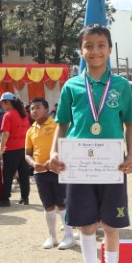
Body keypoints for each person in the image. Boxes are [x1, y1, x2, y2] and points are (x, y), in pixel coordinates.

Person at [49, 24, 132, 263]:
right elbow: (62, 124)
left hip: (112, 163)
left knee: (111, 225)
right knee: (85, 224)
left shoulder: (121, 86)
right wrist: (53, 151)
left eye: (101, 45)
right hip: (79, 164)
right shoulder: (71, 86)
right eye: (88, 46)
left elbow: (129, 124)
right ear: (81, 50)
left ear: (110, 49)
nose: (95, 51)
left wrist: (131, 155)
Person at [25, 97, 79, 250]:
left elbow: (67, 145)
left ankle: (69, 236)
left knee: (62, 204)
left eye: (38, 107)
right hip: (40, 173)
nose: (34, 111)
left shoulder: (57, 125)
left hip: (58, 170)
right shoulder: (30, 131)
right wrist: (33, 164)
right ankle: (52, 237)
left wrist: (53, 160)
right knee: (48, 205)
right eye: (32, 108)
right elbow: (27, 154)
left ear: (47, 110)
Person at [0, 91, 31, 207]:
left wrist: (1, 149)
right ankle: (25, 197)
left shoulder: (8, 115)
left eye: (2, 103)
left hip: (11, 148)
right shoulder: (24, 114)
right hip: (23, 147)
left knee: (8, 174)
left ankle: (5, 199)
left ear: (8, 102)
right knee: (24, 173)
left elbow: (5, 134)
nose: (1, 106)